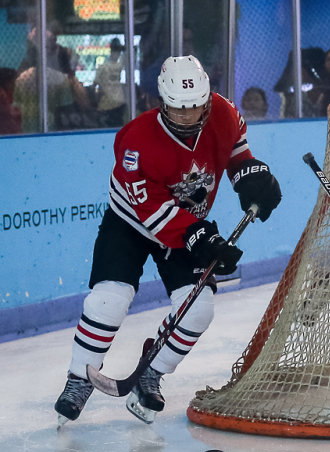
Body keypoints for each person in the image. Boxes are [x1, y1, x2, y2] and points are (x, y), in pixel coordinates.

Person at [54, 55, 282, 427]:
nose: (190, 117)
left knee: (199, 309)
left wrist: (253, 179)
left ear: (208, 98)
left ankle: (151, 373)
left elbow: (238, 154)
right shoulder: (135, 141)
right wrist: (203, 238)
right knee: (109, 300)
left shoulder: (225, 114)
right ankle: (80, 378)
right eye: (180, 110)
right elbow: (154, 213)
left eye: (196, 108)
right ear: (162, 102)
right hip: (130, 223)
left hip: (187, 222)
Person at [93, 38, 127, 127]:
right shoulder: (119, 66)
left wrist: (95, 100)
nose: (118, 54)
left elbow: (95, 85)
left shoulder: (102, 67)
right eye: (117, 51)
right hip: (117, 102)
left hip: (107, 104)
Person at [0, 67, 22, 134]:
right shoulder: (2, 94)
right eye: (12, 82)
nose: (14, 84)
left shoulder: (9, 93)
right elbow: (7, 111)